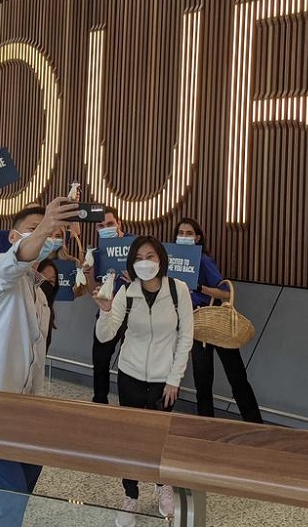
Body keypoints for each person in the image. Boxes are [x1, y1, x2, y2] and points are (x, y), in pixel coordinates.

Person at [0, 196, 77, 527]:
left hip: (20, 414)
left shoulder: (39, 296)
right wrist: (48, 223)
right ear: (12, 237)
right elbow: (15, 262)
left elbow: (34, 360)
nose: (46, 237)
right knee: (8, 500)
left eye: (51, 233)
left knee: (21, 488)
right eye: (34, 230)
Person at [93, 236, 194, 525]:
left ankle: (163, 486)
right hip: (130, 374)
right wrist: (104, 310)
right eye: (139, 258)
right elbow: (106, 335)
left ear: (161, 258)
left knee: (160, 438)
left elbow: (185, 336)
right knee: (132, 438)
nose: (145, 262)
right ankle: (131, 495)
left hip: (165, 379)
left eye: (150, 256)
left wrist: (175, 379)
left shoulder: (179, 291)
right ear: (131, 263)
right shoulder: (128, 292)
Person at [175, 217, 263, 424]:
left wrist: (199, 288)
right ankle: (206, 425)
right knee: (202, 379)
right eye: (181, 233)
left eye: (189, 233)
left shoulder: (203, 260)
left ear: (197, 237)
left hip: (214, 318)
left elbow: (224, 292)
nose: (184, 237)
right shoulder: (174, 262)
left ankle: (254, 422)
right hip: (194, 321)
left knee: (236, 375)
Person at [88, 207, 133, 404]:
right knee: (100, 358)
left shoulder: (135, 245)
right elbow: (93, 290)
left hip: (133, 312)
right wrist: (88, 272)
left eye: (109, 224)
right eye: (101, 226)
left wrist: (135, 279)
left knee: (128, 361)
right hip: (107, 310)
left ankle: (127, 403)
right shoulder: (98, 253)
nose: (106, 228)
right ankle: (99, 401)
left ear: (119, 224)